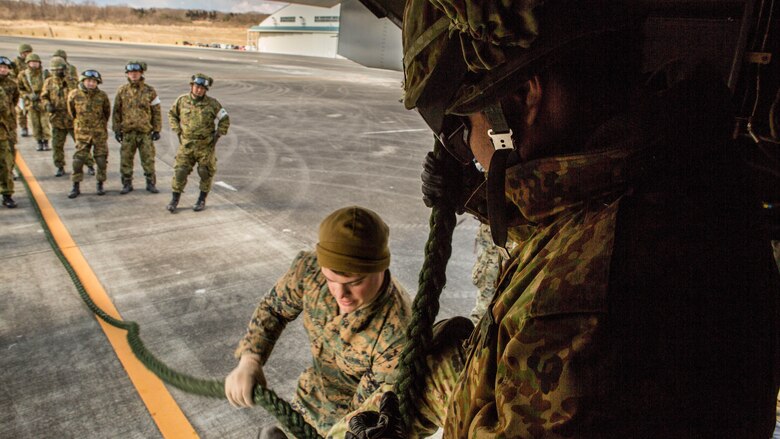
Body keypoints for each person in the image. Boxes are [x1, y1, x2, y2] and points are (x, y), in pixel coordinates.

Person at [346, 0, 779, 437]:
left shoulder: (584, 309)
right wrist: (478, 195)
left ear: (522, 99)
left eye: (462, 131)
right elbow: (575, 220)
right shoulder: (672, 175)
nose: (471, 155)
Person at [225, 206, 412, 438]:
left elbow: (365, 416)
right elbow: (274, 309)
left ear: (381, 268)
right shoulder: (310, 271)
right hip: (307, 403)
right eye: (331, 279)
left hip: (351, 425)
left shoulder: (397, 334)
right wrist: (250, 359)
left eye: (354, 282)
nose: (339, 293)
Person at [166, 73, 229, 212]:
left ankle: (201, 200)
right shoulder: (181, 101)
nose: (199, 90)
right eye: (196, 86)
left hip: (205, 146)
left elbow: (225, 119)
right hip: (186, 145)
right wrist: (177, 129)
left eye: (202, 88)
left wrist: (218, 134)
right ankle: (174, 200)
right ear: (191, 86)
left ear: (206, 90)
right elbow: (172, 114)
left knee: (205, 172)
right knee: (180, 171)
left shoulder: (213, 104)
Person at [112, 61, 162, 194]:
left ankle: (151, 183)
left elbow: (156, 111)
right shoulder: (122, 91)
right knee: (126, 159)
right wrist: (117, 129)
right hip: (128, 132)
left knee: (148, 159)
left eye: (136, 72)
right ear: (127, 74)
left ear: (141, 73)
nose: (133, 75)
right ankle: (127, 183)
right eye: (131, 73)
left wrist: (157, 129)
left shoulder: (150, 91)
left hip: (144, 132)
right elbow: (116, 111)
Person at [67, 70, 110, 198]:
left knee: (101, 160)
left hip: (99, 134)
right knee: (78, 161)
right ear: (83, 81)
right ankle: (76, 186)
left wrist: (99, 126)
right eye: (88, 81)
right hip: (82, 134)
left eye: (94, 81)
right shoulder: (74, 94)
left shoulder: (102, 96)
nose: (91, 83)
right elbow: (72, 112)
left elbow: (106, 113)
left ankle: (100, 183)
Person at [41, 57, 78, 177]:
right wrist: (47, 105)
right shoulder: (49, 82)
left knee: (80, 144)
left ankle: (89, 164)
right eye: (54, 70)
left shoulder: (72, 81)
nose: (56, 72)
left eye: (59, 69)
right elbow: (44, 96)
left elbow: (79, 95)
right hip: (57, 119)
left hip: (72, 119)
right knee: (57, 145)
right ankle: (59, 166)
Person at [17, 52, 51, 151]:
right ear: (28, 63)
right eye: (32, 62)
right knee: (34, 124)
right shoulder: (23, 75)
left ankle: (46, 141)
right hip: (31, 104)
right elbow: (20, 89)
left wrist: (44, 97)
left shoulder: (45, 74)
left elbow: (50, 87)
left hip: (42, 103)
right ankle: (39, 141)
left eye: (36, 62)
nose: (34, 64)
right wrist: (28, 95)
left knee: (45, 123)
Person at [0, 56, 17, 208]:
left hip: (4, 129)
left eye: (5, 67)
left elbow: (11, 105)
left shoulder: (11, 85)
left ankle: (7, 194)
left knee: (6, 163)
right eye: (1, 67)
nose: (3, 69)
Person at [14, 43, 31, 138]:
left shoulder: (31, 61)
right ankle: (24, 127)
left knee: (31, 110)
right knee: (21, 111)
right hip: (20, 90)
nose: (27, 54)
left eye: (28, 52)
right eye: (25, 52)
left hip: (30, 91)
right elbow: (12, 75)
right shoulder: (16, 62)